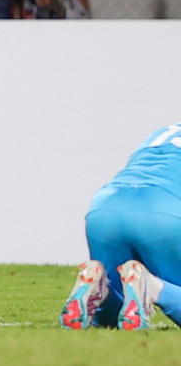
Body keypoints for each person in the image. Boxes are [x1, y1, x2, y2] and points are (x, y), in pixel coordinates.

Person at [60, 122, 181, 330]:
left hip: (106, 207)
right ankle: (152, 287)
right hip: (164, 213)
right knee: (167, 290)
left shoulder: (162, 132)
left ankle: (99, 288)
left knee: (111, 319)